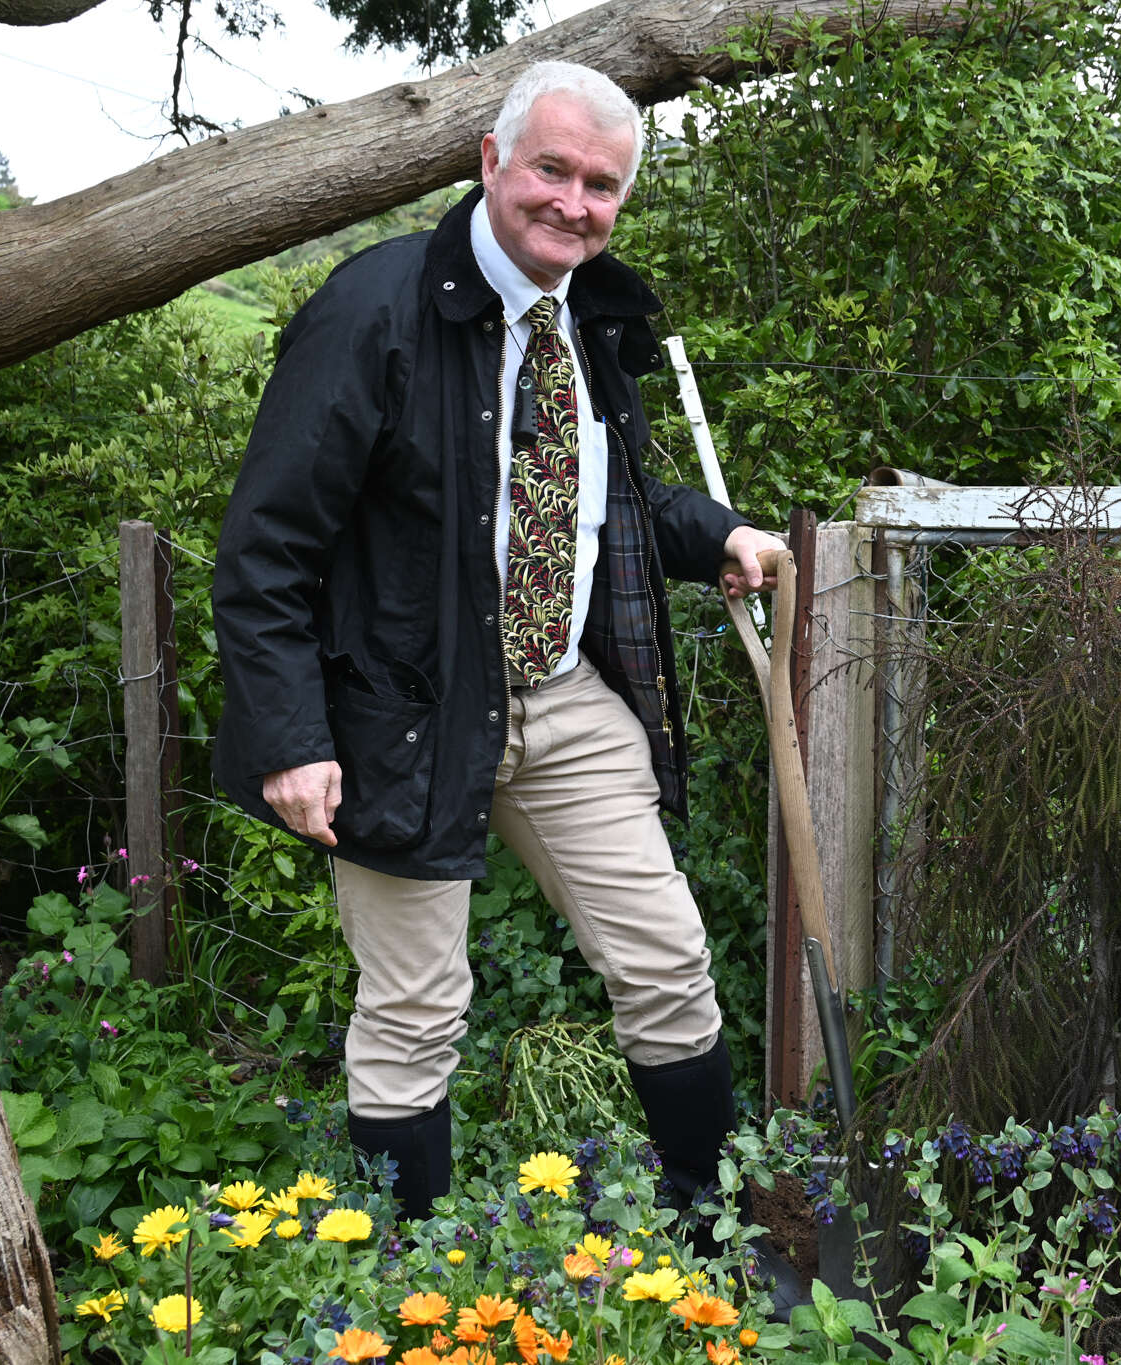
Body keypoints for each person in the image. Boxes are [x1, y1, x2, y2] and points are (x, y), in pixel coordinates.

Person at [211, 60, 789, 1267]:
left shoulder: (591, 315)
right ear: (490, 160)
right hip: (404, 718)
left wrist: (715, 534)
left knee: (669, 965)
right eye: (552, 171)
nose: (573, 204)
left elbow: (607, 494)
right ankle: (412, 1286)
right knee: (416, 1011)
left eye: (600, 185)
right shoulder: (371, 313)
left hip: (564, 699)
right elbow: (267, 547)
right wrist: (290, 736)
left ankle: (710, 1235)